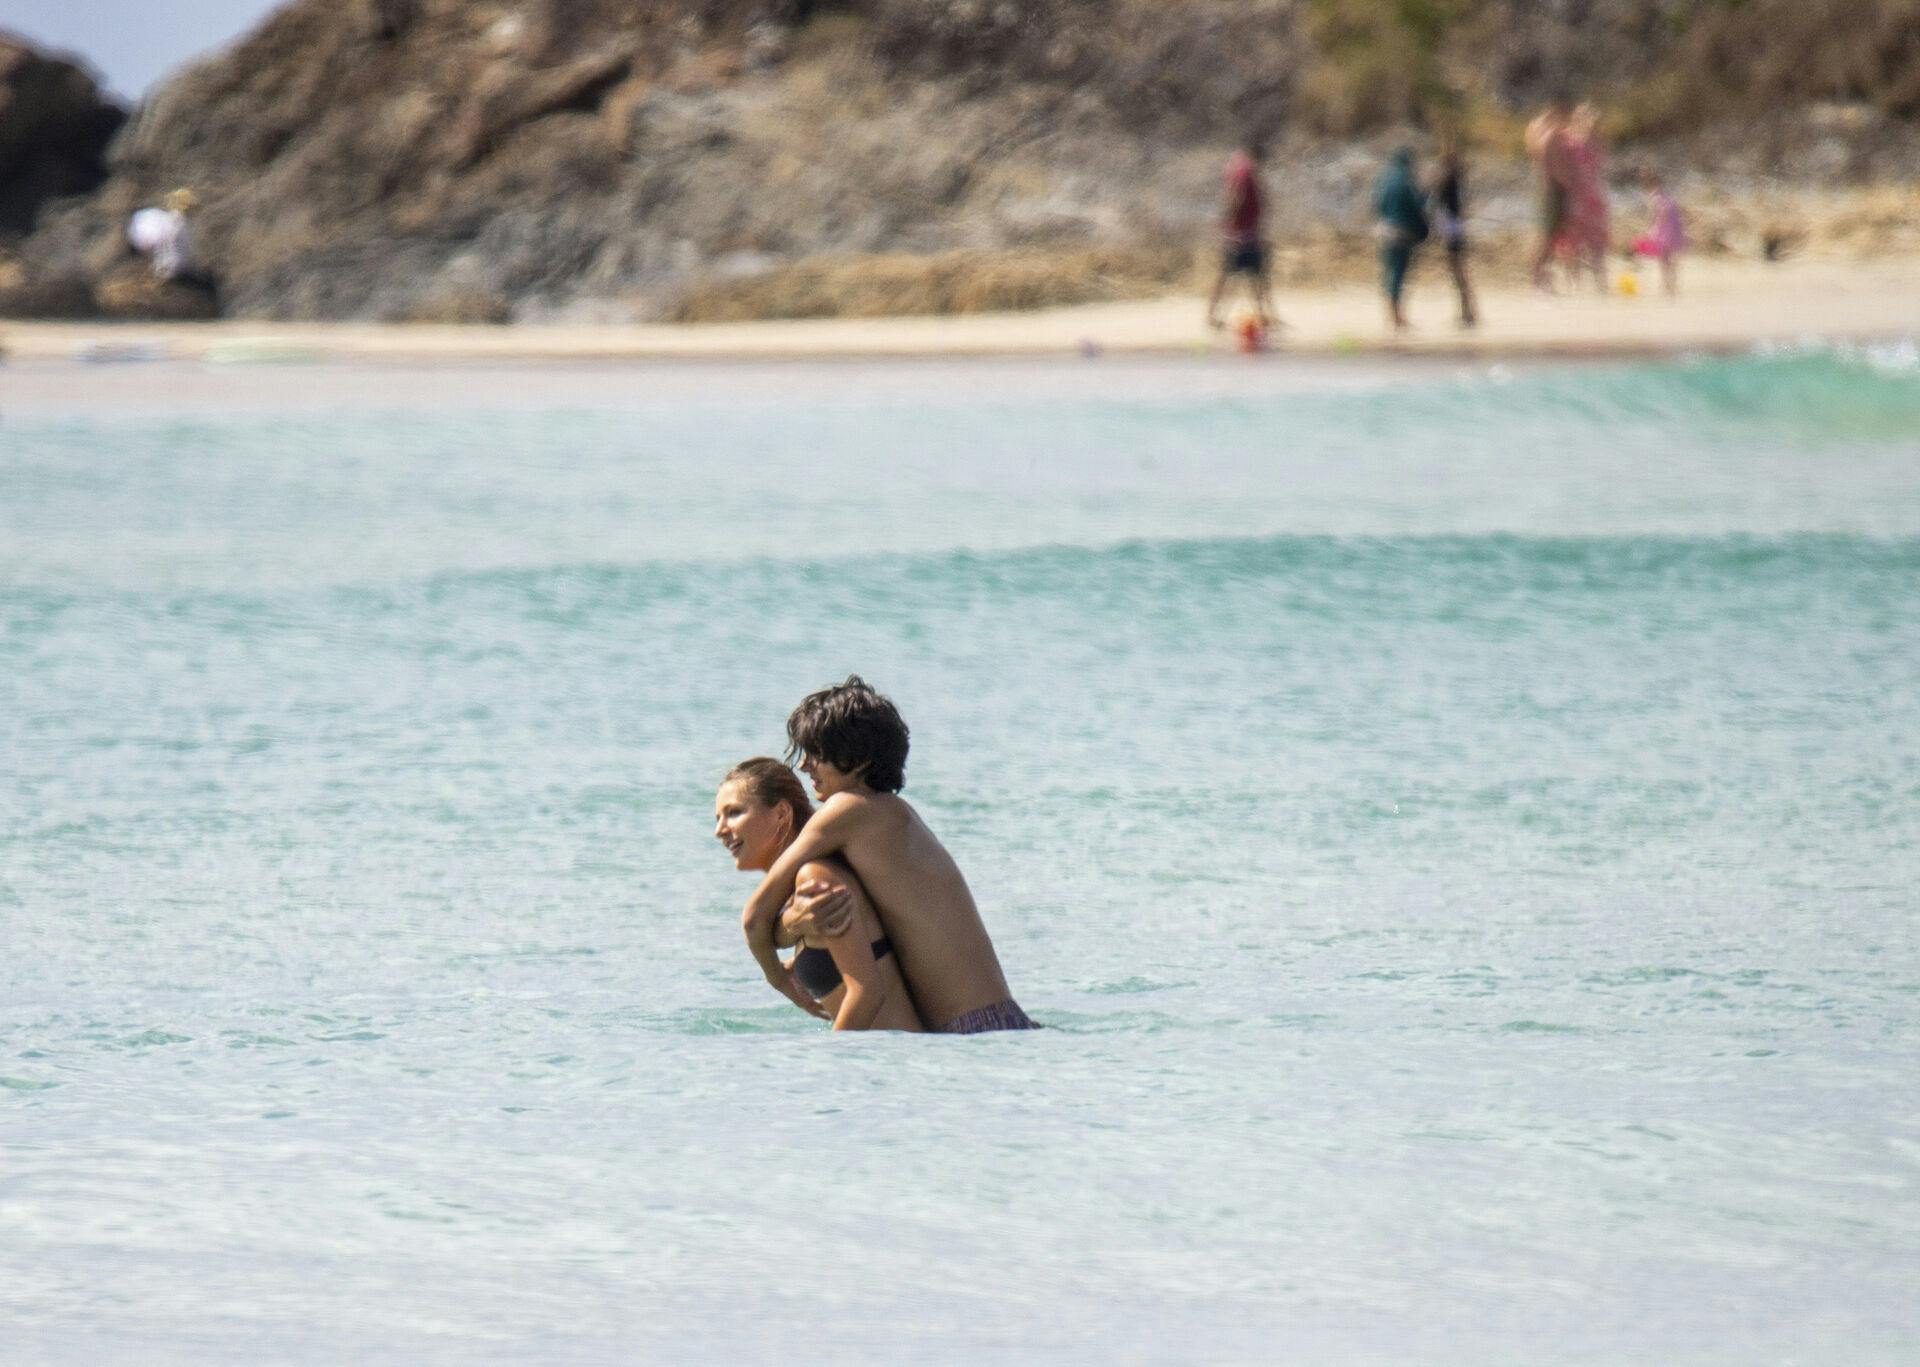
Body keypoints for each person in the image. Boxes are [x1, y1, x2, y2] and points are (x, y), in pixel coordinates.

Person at [742, 676, 1037, 1034]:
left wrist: (780, 980)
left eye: (817, 753)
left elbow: (756, 918)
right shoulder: (895, 814)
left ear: (858, 759)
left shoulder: (846, 810)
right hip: (998, 1019)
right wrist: (794, 926)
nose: (805, 766)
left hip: (967, 1030)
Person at [716, 758, 922, 1032]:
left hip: (892, 1060)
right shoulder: (803, 890)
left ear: (781, 813)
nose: (720, 830)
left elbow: (867, 993)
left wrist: (830, 1064)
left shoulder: (817, 878)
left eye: (734, 813)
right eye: (718, 818)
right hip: (882, 1059)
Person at [1204, 135, 1276, 334]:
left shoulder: (1237, 168)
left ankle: (1216, 315)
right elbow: (1235, 198)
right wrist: (1231, 224)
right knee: (1252, 276)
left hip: (1243, 233)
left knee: (1237, 276)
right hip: (1243, 235)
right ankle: (1262, 315)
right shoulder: (1245, 171)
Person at [1373, 147, 1428, 334]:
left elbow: (1377, 205)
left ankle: (1391, 314)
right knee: (1399, 273)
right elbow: (1417, 206)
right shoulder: (1405, 182)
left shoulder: (1384, 180)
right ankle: (1398, 316)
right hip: (1402, 233)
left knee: (1389, 272)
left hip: (1385, 230)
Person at [1559, 103, 1611, 294]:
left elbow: (1599, 167)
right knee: (1573, 242)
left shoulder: (1597, 143)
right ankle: (1573, 282)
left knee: (1597, 242)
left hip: (1594, 196)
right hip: (1575, 195)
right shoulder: (1569, 141)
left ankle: (1600, 281)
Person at [1525, 96, 1575, 291]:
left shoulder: (1545, 133)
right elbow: (1551, 167)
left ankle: (1542, 278)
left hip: (1549, 189)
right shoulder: (1551, 136)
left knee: (1549, 235)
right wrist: (1566, 183)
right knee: (1547, 235)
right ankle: (1539, 278)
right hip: (1552, 190)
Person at [1431, 137, 1478, 328]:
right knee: (1459, 272)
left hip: (1452, 228)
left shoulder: (1449, 177)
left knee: (1458, 271)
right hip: (1456, 227)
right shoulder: (1458, 177)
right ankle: (1467, 311)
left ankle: (1467, 312)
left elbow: (1437, 201)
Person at [1632, 169, 1687, 296]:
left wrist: (1649, 230)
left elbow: (1655, 216)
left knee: (1665, 260)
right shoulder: (1668, 197)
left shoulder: (1655, 198)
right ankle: (1671, 284)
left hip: (1663, 231)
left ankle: (1667, 284)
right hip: (1674, 230)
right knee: (1670, 259)